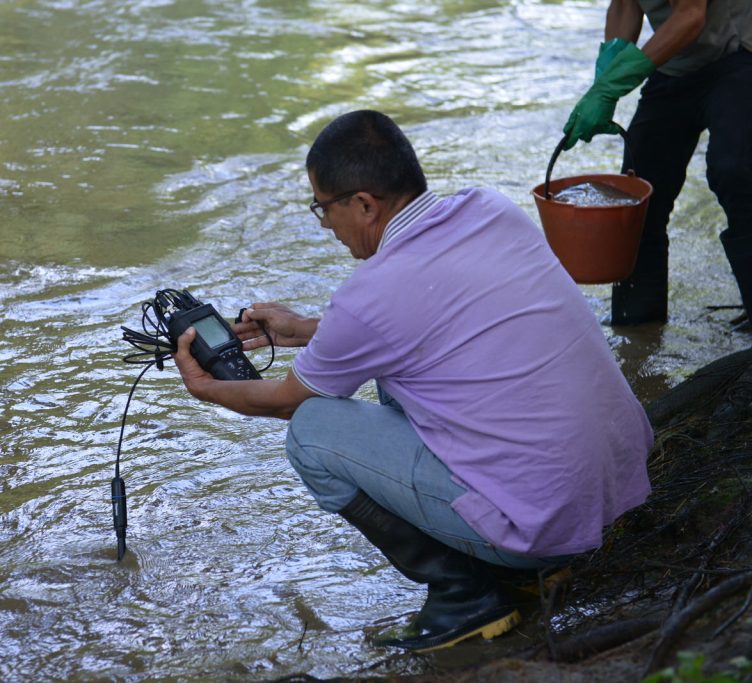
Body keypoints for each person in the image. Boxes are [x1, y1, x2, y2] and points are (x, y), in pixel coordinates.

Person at [172, 110, 653, 652]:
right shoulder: (490, 209)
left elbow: (286, 402)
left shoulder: (372, 295)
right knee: (398, 381)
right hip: (610, 489)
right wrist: (309, 330)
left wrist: (205, 387)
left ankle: (464, 594)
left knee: (312, 430)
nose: (326, 225)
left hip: (541, 527)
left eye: (322, 209)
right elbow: (430, 315)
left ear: (364, 204)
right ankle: (515, 569)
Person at [561, 0, 752, 327]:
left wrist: (617, 82)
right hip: (673, 65)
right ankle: (637, 329)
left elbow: (690, 16)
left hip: (736, 53)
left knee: (735, 170)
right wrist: (607, 69)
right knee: (639, 193)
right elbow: (624, 5)